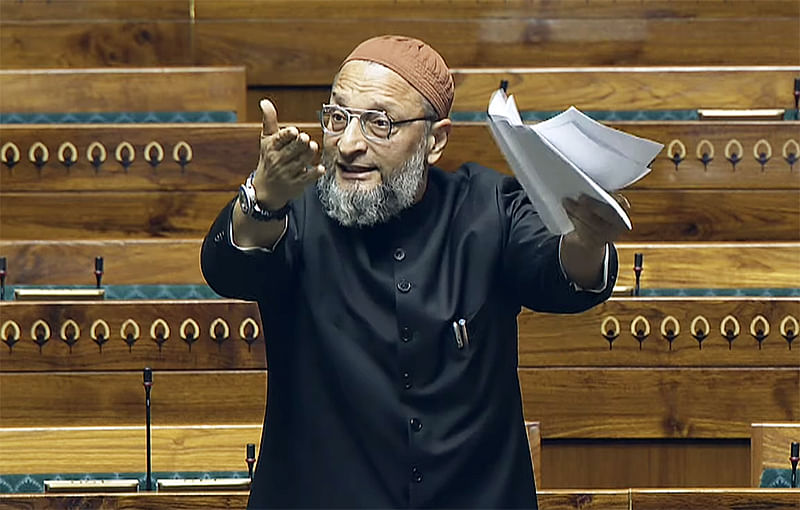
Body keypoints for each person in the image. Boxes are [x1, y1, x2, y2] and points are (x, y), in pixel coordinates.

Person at [201, 35, 626, 509]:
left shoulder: (489, 206)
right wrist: (261, 197)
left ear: (435, 140)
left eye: (379, 123)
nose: (348, 144)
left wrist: (587, 238)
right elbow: (229, 269)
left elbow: (563, 275)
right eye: (338, 118)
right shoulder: (294, 211)